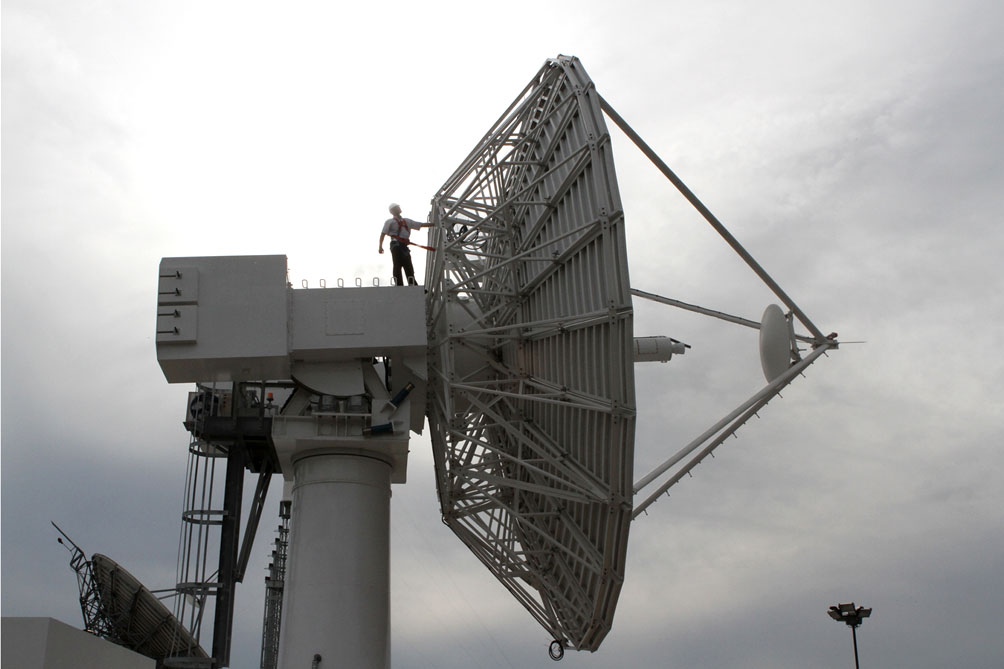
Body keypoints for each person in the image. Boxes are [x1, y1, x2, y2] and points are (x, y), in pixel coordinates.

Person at [378, 203, 430, 286]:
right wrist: (380, 247)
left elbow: (421, 224)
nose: (399, 208)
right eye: (397, 207)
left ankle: (412, 283)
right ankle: (399, 284)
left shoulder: (407, 221)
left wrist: (434, 224)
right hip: (395, 244)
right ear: (392, 211)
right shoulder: (389, 222)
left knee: (408, 265)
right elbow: (383, 234)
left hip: (403, 246)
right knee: (397, 264)